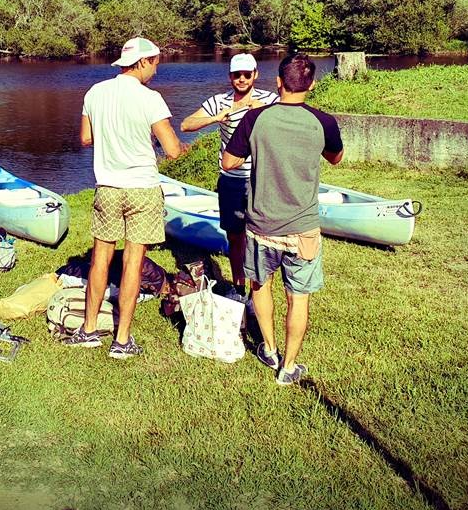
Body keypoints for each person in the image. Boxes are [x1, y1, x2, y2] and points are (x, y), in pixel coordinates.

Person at [221, 53, 343, 385]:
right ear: (312, 85)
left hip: (261, 226)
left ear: (277, 83)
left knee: (260, 286)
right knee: (298, 297)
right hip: (303, 229)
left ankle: (269, 348)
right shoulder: (324, 122)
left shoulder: (254, 118)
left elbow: (230, 163)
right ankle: (288, 367)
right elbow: (336, 158)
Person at [65, 37, 184, 359]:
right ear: (143, 62)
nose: (156, 71)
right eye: (155, 63)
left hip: (107, 187)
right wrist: (164, 145)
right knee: (133, 260)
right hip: (142, 189)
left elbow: (86, 138)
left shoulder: (95, 93)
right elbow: (172, 150)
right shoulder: (151, 98)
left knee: (101, 257)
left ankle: (88, 330)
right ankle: (122, 340)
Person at [179, 53, 277, 292]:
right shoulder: (219, 101)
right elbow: (186, 124)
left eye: (246, 74)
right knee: (235, 237)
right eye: (236, 75)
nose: (241, 79)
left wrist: (261, 109)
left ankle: (260, 288)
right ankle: (238, 286)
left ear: (255, 75)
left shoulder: (270, 99)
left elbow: (291, 114)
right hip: (231, 180)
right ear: (230, 76)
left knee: (262, 238)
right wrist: (215, 118)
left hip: (261, 179)